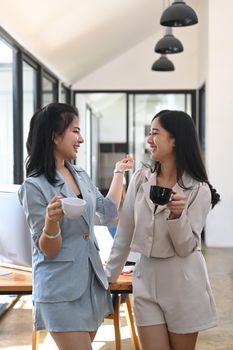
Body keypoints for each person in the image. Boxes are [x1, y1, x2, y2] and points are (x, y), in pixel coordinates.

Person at [18, 102, 133, 350]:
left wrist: (118, 172)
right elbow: (48, 249)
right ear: (54, 135)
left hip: (90, 285)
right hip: (59, 290)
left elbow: (108, 211)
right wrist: (51, 223)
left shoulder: (80, 174)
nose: (81, 139)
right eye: (76, 131)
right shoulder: (34, 186)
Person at [105, 110, 220, 350]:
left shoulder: (199, 190)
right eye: (149, 133)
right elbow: (125, 231)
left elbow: (187, 246)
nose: (149, 140)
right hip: (146, 278)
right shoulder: (140, 179)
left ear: (176, 139)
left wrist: (178, 216)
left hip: (184, 283)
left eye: (155, 133)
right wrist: (108, 278)